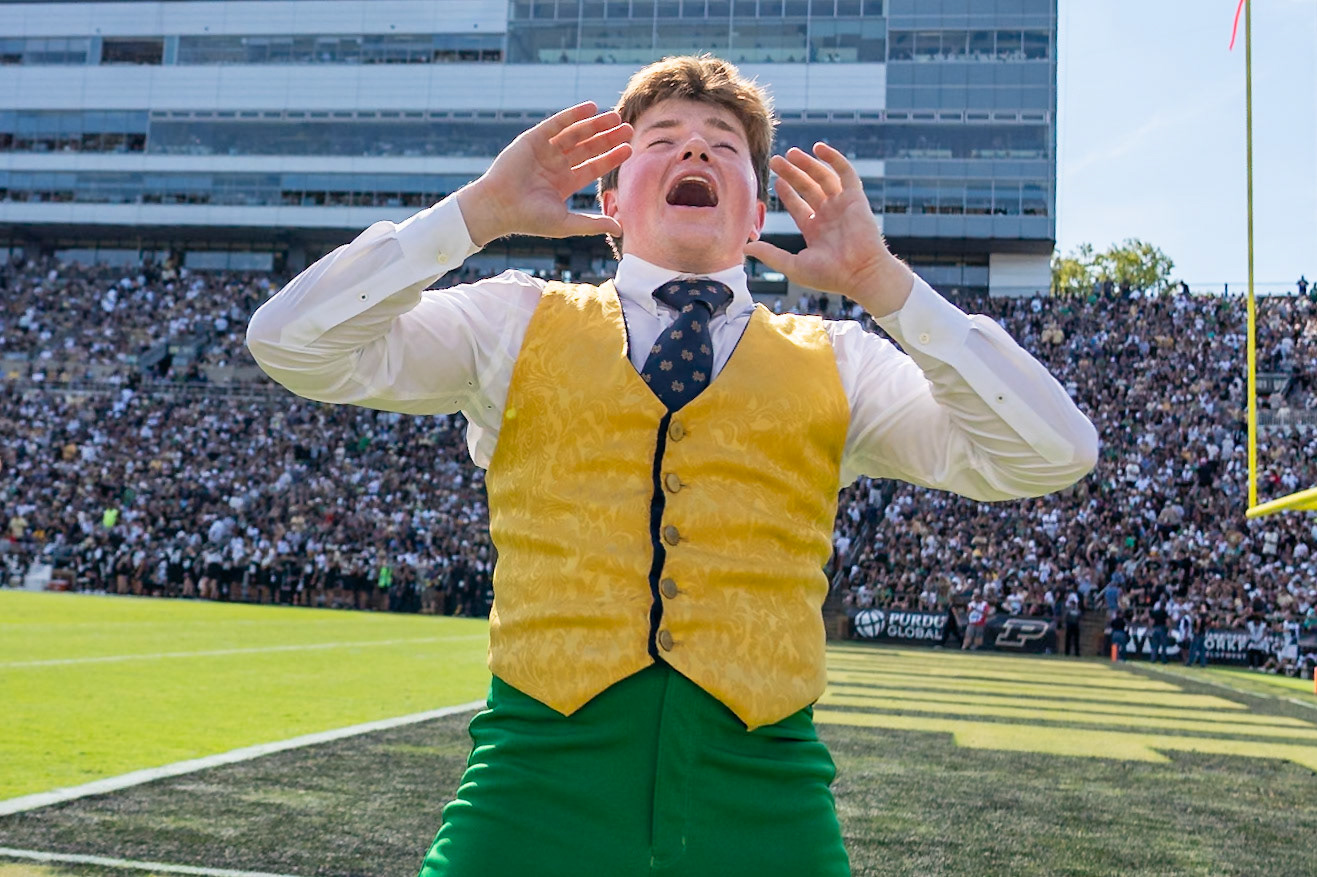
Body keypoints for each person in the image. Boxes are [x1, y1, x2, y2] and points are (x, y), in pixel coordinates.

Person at [247, 55, 1097, 877]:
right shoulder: (510, 318)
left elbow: (1053, 452)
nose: (695, 150)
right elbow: (289, 344)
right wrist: (473, 215)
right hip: (532, 784)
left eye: (724, 145)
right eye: (662, 138)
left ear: (756, 212)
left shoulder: (841, 357)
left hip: (766, 797)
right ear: (610, 197)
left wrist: (885, 284)